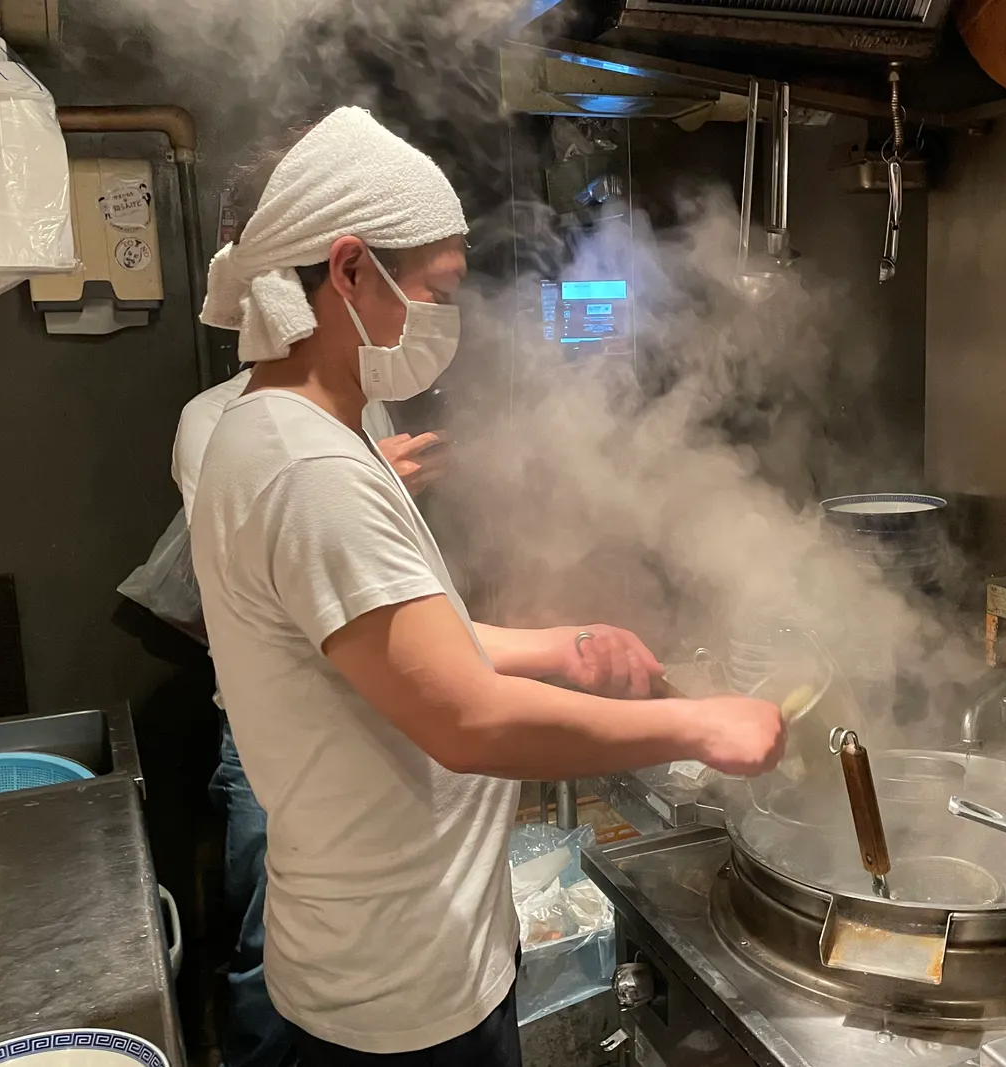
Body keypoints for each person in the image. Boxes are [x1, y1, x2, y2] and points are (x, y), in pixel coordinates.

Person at [187, 106, 786, 1067]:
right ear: (347, 270)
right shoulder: (310, 470)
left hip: (395, 961)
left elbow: (407, 648)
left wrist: (563, 645)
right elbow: (466, 721)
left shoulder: (286, 435)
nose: (440, 319)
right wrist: (701, 724)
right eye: (432, 289)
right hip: (395, 1003)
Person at [174, 363, 447, 1067]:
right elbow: (254, 563)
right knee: (266, 942)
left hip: (369, 713)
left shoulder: (368, 406)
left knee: (359, 942)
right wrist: (360, 484)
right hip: (281, 725)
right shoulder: (216, 421)